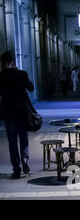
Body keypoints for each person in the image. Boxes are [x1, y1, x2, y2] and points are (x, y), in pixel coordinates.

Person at [0, 51, 34, 179]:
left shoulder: (1, 76)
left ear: (3, 62)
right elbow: (31, 88)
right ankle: (24, 159)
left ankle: (16, 169)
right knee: (23, 138)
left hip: (8, 114)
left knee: (12, 142)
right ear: (13, 61)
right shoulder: (21, 74)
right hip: (22, 113)